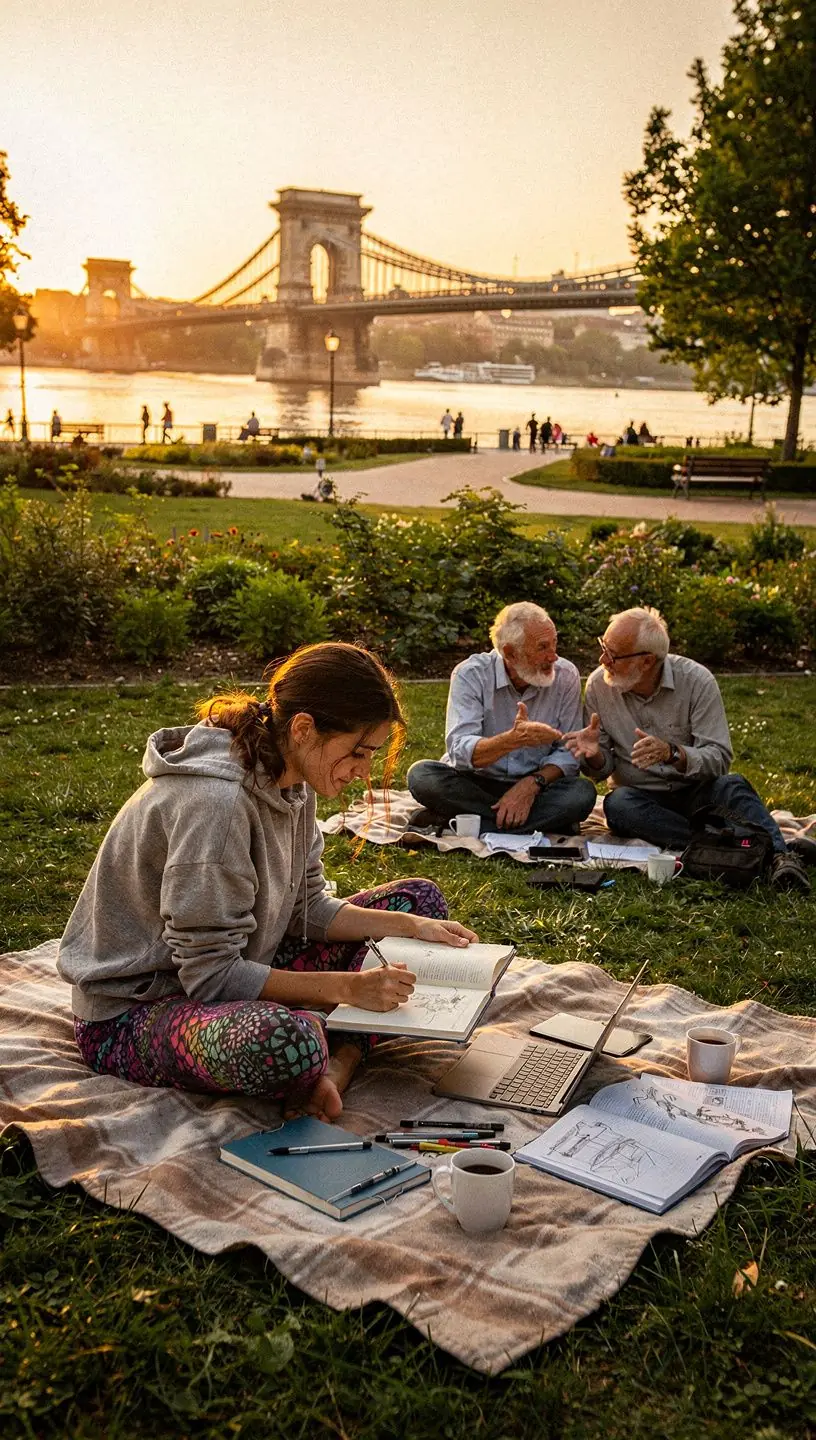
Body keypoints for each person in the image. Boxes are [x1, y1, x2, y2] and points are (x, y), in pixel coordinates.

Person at [57, 642, 477, 1119]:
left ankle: (340, 1059)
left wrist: (411, 929)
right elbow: (211, 976)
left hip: (243, 962)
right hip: (136, 1010)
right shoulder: (216, 807)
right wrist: (348, 990)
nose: (363, 771)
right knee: (288, 1044)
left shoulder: (293, 780)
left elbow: (306, 907)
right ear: (303, 728)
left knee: (418, 903)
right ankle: (328, 1048)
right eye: (357, 752)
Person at [561, 607, 809, 892]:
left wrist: (673, 753)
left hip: (697, 792)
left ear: (646, 661)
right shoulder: (598, 686)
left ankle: (782, 858)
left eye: (613, 655)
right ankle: (734, 845)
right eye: (603, 647)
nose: (602, 659)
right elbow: (602, 770)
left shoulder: (696, 681)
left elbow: (719, 759)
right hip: (642, 800)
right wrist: (593, 755)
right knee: (617, 805)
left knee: (732, 786)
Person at [407, 603, 596, 835]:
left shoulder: (566, 675)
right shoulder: (470, 674)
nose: (553, 656)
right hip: (477, 781)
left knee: (581, 793)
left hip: (539, 785)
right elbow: (460, 750)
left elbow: (568, 751)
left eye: (555, 642)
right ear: (509, 653)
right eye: (542, 647)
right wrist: (513, 740)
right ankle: (543, 822)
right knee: (422, 776)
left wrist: (530, 786)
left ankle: (459, 822)